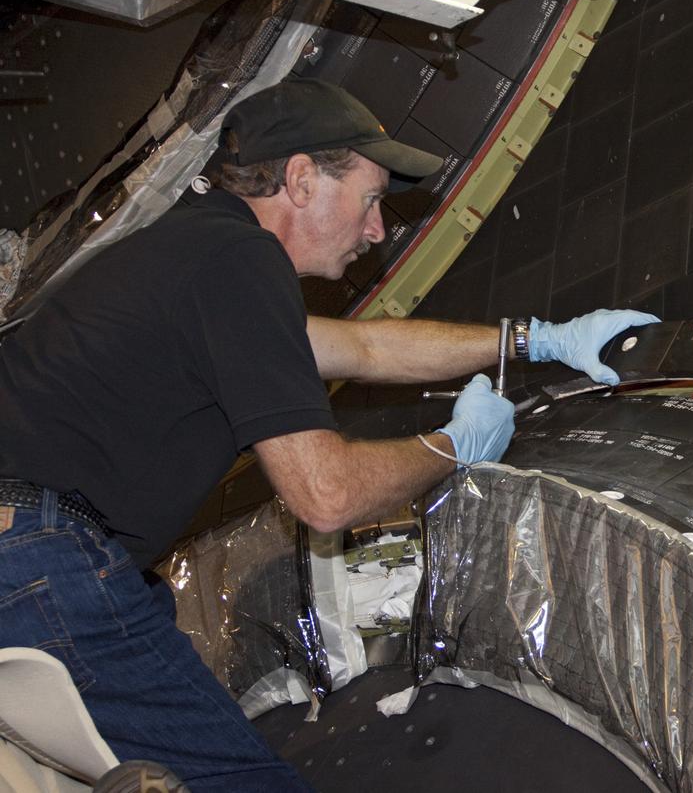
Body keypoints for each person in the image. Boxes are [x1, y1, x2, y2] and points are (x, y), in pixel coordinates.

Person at [0, 78, 658, 791]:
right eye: (371, 199)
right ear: (302, 178)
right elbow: (325, 494)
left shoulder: (193, 257)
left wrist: (537, 339)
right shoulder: (237, 262)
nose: (377, 230)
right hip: (33, 555)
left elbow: (363, 350)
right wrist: (452, 447)